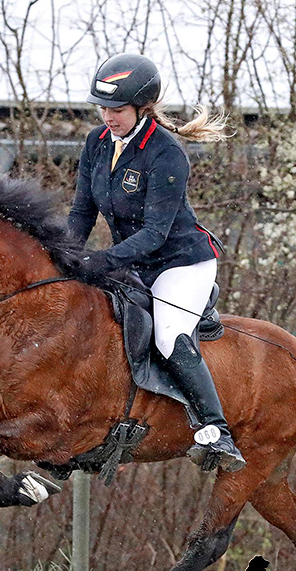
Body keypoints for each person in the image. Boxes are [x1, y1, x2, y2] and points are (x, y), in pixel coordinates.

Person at [66, 52, 245, 473]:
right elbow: (80, 213)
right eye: (103, 108)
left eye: (117, 110)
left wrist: (101, 260)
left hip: (180, 263)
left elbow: (155, 234)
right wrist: (64, 256)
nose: (108, 117)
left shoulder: (167, 154)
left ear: (142, 108)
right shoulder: (96, 142)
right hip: (135, 262)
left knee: (167, 335)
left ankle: (216, 431)